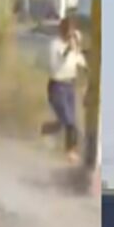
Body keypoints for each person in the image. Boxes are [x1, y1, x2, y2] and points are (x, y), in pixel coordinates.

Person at [41, 17, 87, 163]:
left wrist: (78, 49)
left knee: (67, 121)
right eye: (68, 31)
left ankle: (46, 130)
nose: (70, 35)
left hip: (69, 86)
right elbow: (61, 57)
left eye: (72, 32)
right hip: (57, 86)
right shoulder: (55, 45)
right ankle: (70, 152)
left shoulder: (74, 48)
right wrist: (70, 46)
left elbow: (82, 63)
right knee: (69, 121)